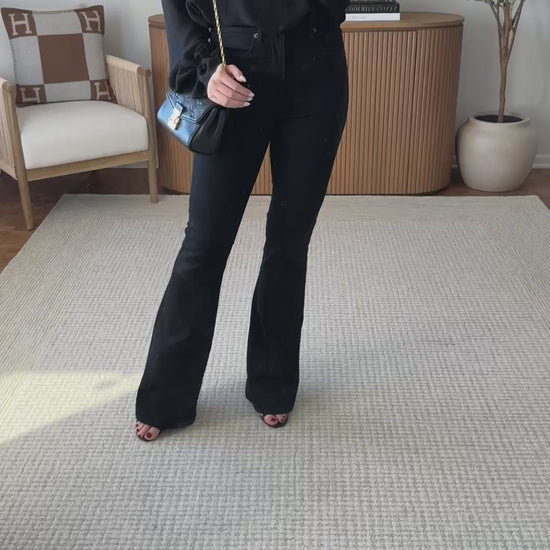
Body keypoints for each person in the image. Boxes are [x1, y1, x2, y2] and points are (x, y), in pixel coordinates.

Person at [135, 0, 350, 441]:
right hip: (232, 70)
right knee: (204, 243)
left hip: (317, 70)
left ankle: (273, 382)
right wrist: (204, 68)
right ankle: (166, 396)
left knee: (290, 240)